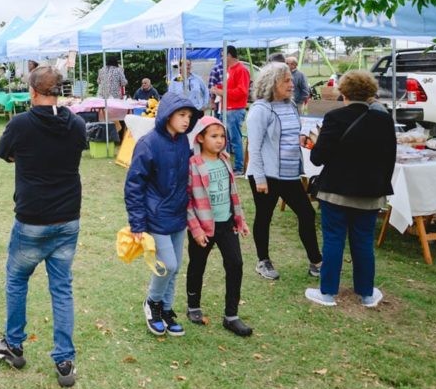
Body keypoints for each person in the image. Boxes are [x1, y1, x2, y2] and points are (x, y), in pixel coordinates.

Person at [0, 66, 87, 388]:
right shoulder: (75, 123)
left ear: (33, 91)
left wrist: (29, 157)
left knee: (17, 279)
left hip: (33, 218)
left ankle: (14, 343)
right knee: (61, 288)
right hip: (67, 217)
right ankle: (64, 358)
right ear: (58, 90)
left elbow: (4, 153)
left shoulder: (21, 124)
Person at [304, 70, 395, 307]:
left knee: (333, 240)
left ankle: (327, 292)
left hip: (336, 190)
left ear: (343, 92)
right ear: (370, 93)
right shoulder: (384, 119)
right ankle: (366, 293)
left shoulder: (335, 117)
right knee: (363, 241)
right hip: (370, 192)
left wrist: (316, 143)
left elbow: (317, 158)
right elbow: (390, 158)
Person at [123, 91, 200, 338]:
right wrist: (137, 222)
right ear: (167, 114)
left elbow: (191, 169)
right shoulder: (148, 143)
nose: (186, 120)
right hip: (155, 216)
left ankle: (166, 309)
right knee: (168, 265)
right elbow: (134, 185)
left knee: (175, 267)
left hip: (178, 214)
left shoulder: (182, 142)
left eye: (189, 115)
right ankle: (152, 303)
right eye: (181, 114)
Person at [246, 62, 323, 281]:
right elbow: (255, 146)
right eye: (286, 80)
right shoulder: (260, 110)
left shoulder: (290, 106)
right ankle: (263, 261)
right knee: (264, 216)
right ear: (272, 84)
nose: (292, 84)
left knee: (307, 214)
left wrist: (301, 140)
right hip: (266, 176)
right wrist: (259, 178)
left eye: (291, 79)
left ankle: (316, 262)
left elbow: (286, 135)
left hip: (289, 175)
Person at [185, 116, 253, 336]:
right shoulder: (193, 164)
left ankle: (231, 315)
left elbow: (232, 193)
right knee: (197, 265)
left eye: (222, 136)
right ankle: (193, 305)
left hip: (226, 224)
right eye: (213, 136)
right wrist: (195, 229)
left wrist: (239, 219)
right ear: (201, 138)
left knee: (236, 264)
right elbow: (186, 201)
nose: (219, 140)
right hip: (203, 227)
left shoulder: (225, 160)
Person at [209, 46, 250, 173]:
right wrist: (217, 89)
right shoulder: (230, 69)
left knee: (235, 140)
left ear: (230, 55)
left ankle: (238, 167)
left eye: (223, 55)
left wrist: (221, 91)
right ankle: (226, 164)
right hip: (226, 108)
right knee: (225, 139)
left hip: (235, 109)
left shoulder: (241, 70)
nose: (221, 58)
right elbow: (230, 86)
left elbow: (242, 91)